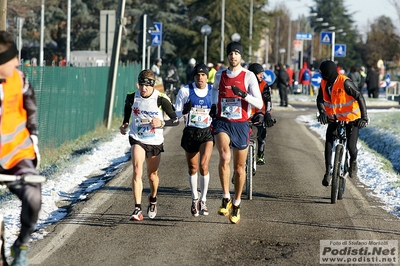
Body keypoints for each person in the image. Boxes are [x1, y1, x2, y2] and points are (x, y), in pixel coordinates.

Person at [0, 30, 41, 266]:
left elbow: (31, 111)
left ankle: (21, 246)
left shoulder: (20, 79)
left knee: (34, 196)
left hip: (17, 154)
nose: (17, 61)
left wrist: (33, 139)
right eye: (11, 57)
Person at [210, 41, 263, 224]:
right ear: (227, 56)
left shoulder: (248, 76)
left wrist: (243, 95)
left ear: (241, 56)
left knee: (239, 169)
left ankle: (237, 202)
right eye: (230, 53)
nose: (233, 56)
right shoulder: (220, 74)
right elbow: (214, 91)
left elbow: (259, 103)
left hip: (241, 124)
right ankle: (225, 197)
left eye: (236, 53)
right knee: (225, 157)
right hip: (222, 122)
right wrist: (213, 105)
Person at [120, 69, 179, 221]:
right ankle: (137, 209)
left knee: (152, 176)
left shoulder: (161, 98)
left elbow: (176, 120)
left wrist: (162, 122)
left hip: (154, 141)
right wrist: (125, 123)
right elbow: (127, 109)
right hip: (137, 138)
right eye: (141, 85)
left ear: (153, 85)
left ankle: (153, 199)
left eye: (146, 86)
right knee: (137, 170)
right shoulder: (132, 96)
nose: (143, 89)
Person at [316, 60, 368, 187]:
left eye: (322, 71)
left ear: (327, 73)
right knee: (328, 142)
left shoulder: (345, 82)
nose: (320, 74)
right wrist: (322, 112)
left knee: (351, 146)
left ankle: (353, 161)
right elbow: (320, 99)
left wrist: (364, 118)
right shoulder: (324, 83)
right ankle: (328, 172)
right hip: (334, 118)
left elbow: (360, 97)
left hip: (352, 119)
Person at [175, 63, 214, 217]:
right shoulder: (185, 91)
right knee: (193, 168)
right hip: (190, 132)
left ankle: (203, 200)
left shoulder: (212, 91)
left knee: (204, 165)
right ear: (194, 76)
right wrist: (184, 110)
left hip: (206, 133)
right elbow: (177, 113)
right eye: (197, 75)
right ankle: (194, 198)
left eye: (203, 75)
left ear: (207, 76)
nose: (200, 78)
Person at [248, 63, 275, 165]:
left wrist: (268, 114)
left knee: (261, 130)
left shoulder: (264, 85)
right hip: (246, 112)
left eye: (262, 74)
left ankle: (261, 154)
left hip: (259, 112)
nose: (262, 76)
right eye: (259, 74)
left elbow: (268, 100)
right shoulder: (244, 83)